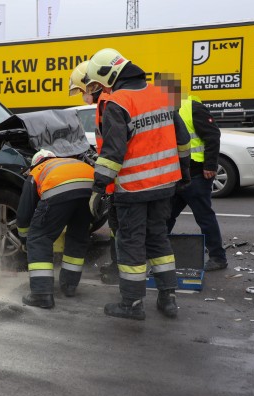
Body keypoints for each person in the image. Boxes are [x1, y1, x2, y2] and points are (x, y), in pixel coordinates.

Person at [83, 48, 191, 320]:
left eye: (103, 81)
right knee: (158, 240)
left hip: (133, 189)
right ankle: (168, 298)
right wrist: (184, 174)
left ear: (110, 74)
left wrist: (99, 188)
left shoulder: (118, 102)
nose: (104, 87)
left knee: (131, 244)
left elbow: (113, 152)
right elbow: (183, 138)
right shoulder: (161, 94)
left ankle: (131, 304)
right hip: (165, 185)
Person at [159, 77, 228, 271]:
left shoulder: (192, 107)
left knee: (204, 217)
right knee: (166, 216)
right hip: (176, 175)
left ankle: (218, 257)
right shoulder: (165, 111)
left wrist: (211, 165)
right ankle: (158, 252)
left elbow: (213, 135)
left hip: (197, 174)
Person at [16, 149, 94, 308]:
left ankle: (41, 294)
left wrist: (25, 238)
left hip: (59, 189)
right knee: (77, 237)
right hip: (91, 191)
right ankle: (69, 285)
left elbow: (24, 213)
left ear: (35, 163)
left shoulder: (38, 171)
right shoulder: (68, 161)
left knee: (39, 238)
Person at [69, 61, 119, 285]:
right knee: (117, 226)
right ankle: (118, 265)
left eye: (82, 91)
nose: (82, 96)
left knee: (122, 227)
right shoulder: (106, 104)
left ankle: (121, 272)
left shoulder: (109, 104)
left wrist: (100, 186)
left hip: (123, 180)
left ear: (92, 86)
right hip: (120, 179)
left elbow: (114, 148)